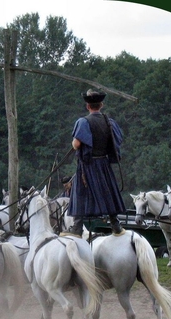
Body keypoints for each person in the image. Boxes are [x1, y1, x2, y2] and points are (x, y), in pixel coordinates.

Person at [61, 89, 126, 237]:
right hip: (103, 164)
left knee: (79, 193)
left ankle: (77, 229)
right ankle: (116, 225)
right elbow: (117, 141)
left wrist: (74, 142)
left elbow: (76, 144)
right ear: (101, 105)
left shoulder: (83, 122)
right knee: (108, 192)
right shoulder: (109, 122)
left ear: (88, 106)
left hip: (88, 166)